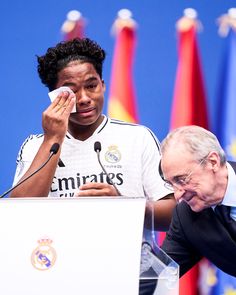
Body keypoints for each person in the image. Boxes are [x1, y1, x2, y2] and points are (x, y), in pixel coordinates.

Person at [10, 38, 176, 294]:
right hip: (56, 275)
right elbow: (18, 215)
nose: (85, 98)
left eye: (92, 85)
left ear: (103, 85)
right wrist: (53, 138)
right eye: (71, 91)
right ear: (54, 97)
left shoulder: (138, 138)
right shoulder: (35, 146)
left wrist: (124, 206)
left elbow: (174, 215)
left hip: (128, 275)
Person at [159, 125, 236, 278]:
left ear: (212, 162)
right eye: (171, 184)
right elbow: (158, 274)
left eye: (182, 180)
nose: (177, 195)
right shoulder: (185, 217)